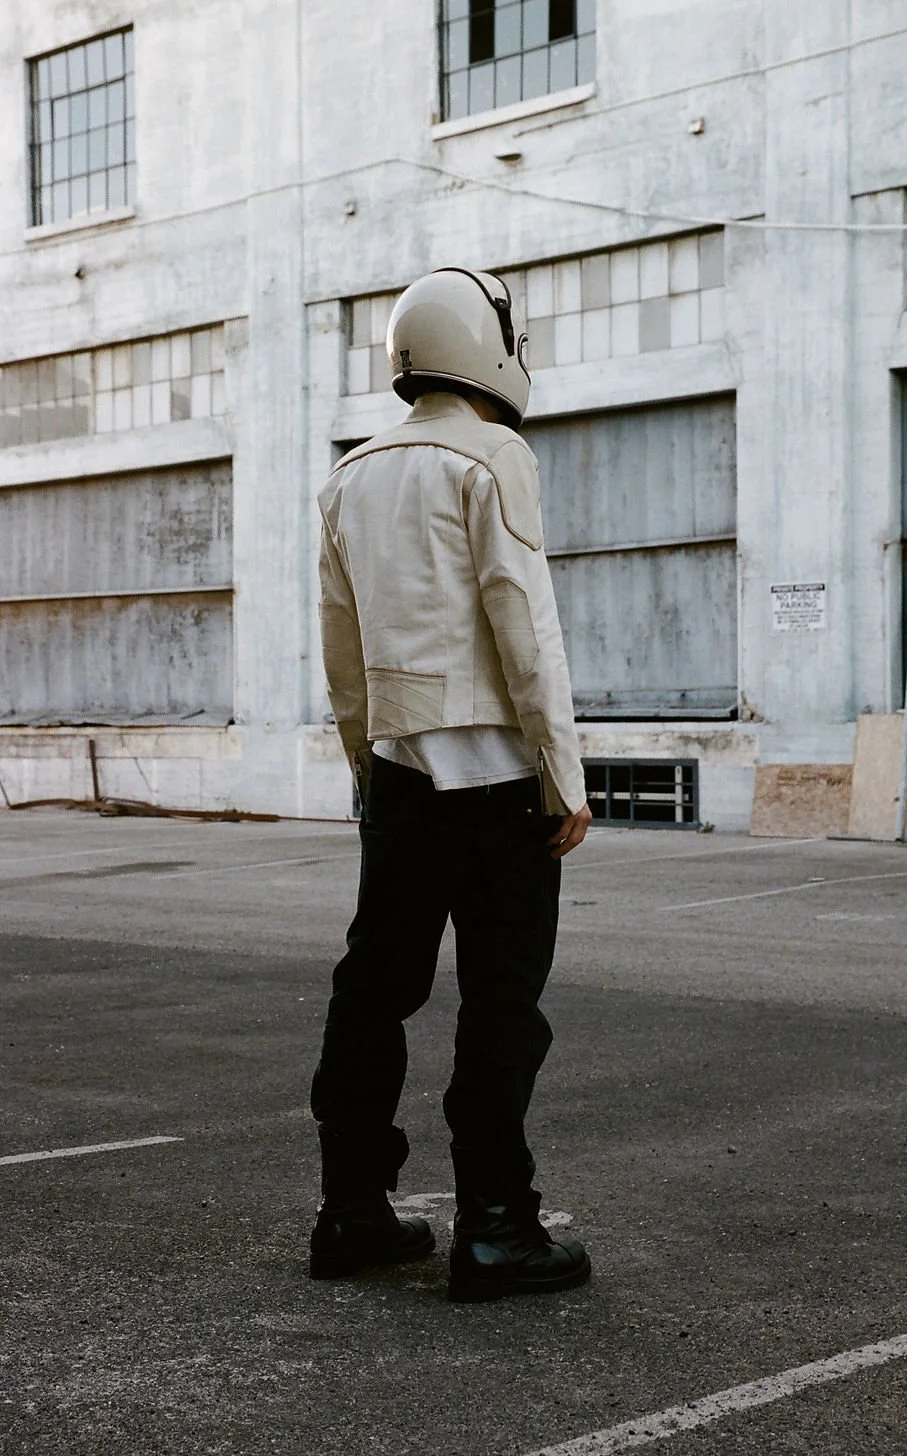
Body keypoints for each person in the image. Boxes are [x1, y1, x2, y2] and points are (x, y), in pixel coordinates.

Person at [310, 267, 592, 1302]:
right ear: (490, 346)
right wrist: (565, 776)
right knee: (500, 1004)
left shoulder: (351, 473)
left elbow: (341, 651)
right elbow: (526, 625)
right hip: (499, 787)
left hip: (399, 773)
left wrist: (365, 771)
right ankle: (496, 1224)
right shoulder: (493, 455)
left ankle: (351, 1209)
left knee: (370, 991)